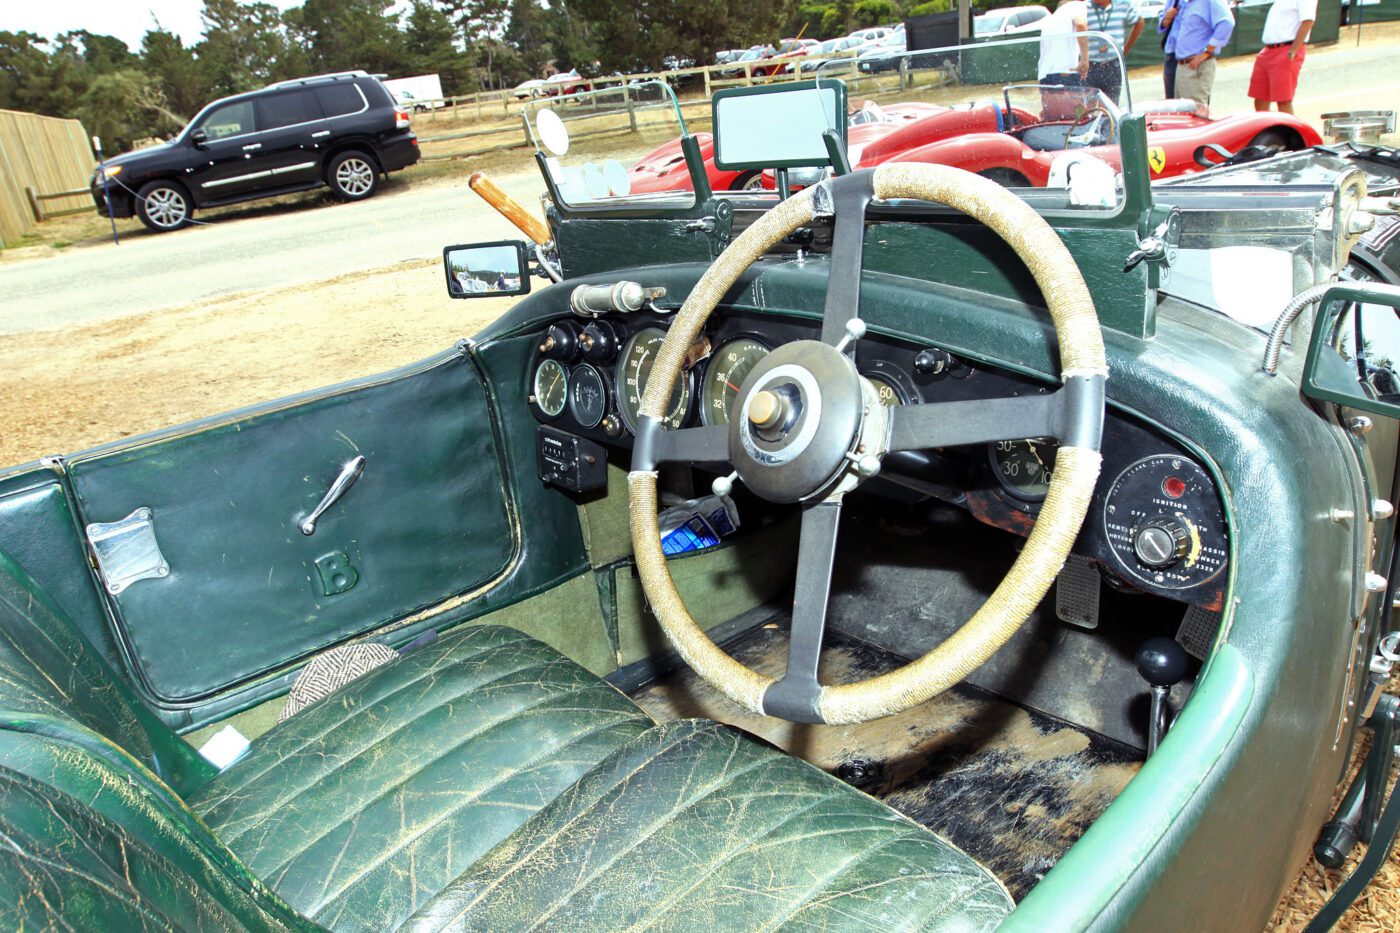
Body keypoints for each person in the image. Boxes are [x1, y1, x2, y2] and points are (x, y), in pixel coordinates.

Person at [1159, 0, 1234, 113]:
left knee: (1196, 113)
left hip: (1195, 66)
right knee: (1180, 113)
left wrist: (1207, 52)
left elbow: (1227, 22)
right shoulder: (1190, 3)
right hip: (1182, 64)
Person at [1250, 0, 1315, 114]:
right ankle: (1267, 130)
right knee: (1260, 99)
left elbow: (1308, 21)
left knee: (1283, 100)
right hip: (1269, 49)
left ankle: (1289, 131)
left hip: (1286, 48)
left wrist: (1293, 50)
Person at [1085, 0, 1144, 104]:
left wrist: (1125, 49)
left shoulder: (1123, 4)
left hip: (1113, 64)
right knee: (1089, 105)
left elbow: (1139, 22)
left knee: (1112, 105)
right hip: (1090, 65)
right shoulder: (1084, 7)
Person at [1039, 0, 1091, 119]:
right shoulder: (1076, 5)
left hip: (1045, 76)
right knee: (1078, 119)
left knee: (1053, 121)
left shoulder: (1051, 19)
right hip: (1065, 74)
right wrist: (1084, 59)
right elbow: (1081, 24)